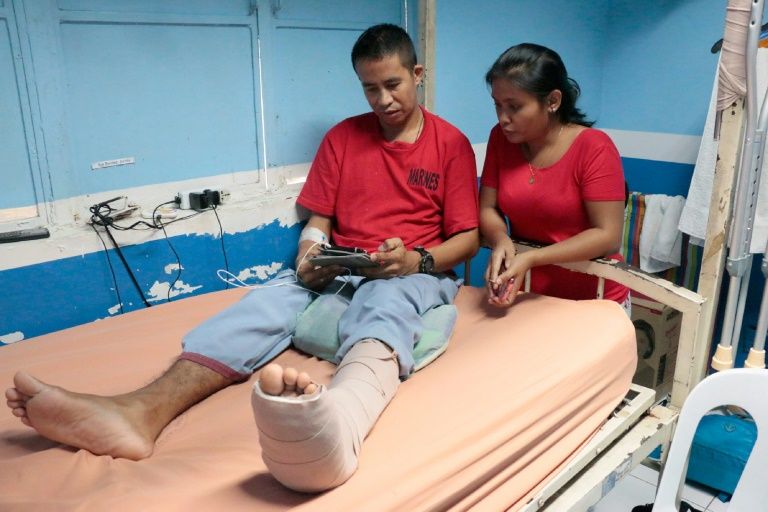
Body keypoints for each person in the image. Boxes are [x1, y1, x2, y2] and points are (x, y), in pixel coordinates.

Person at [4, 24, 479, 493]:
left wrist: (415, 261)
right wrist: (309, 256)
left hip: (411, 268)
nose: (382, 100)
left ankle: (340, 421)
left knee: (384, 304)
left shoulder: (450, 144)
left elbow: (468, 238)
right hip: (342, 262)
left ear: (417, 74)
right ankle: (137, 411)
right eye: (370, 88)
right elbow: (319, 221)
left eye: (392, 84)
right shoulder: (342, 138)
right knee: (260, 307)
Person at [479, 43, 629, 309]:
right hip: (531, 294)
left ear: (552, 101)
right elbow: (487, 208)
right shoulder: (500, 139)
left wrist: (532, 258)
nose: (503, 118)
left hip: (594, 297)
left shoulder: (594, 147)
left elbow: (607, 236)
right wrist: (500, 238)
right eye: (497, 105)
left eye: (514, 106)